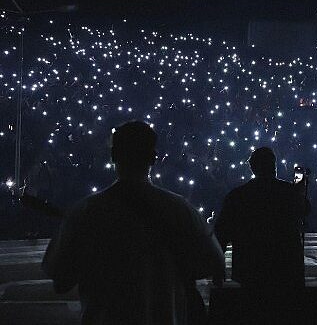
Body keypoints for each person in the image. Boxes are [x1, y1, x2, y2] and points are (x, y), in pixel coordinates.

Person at [41, 121, 225, 325]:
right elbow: (214, 262)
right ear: (153, 157)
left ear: (113, 156)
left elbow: (61, 279)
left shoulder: (86, 211)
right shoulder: (181, 209)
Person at [215, 147, 310, 288]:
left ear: (253, 168)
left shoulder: (238, 195)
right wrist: (301, 191)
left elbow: (222, 232)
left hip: (250, 266)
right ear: (274, 166)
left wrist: (217, 268)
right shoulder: (289, 192)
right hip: (285, 265)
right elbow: (305, 212)